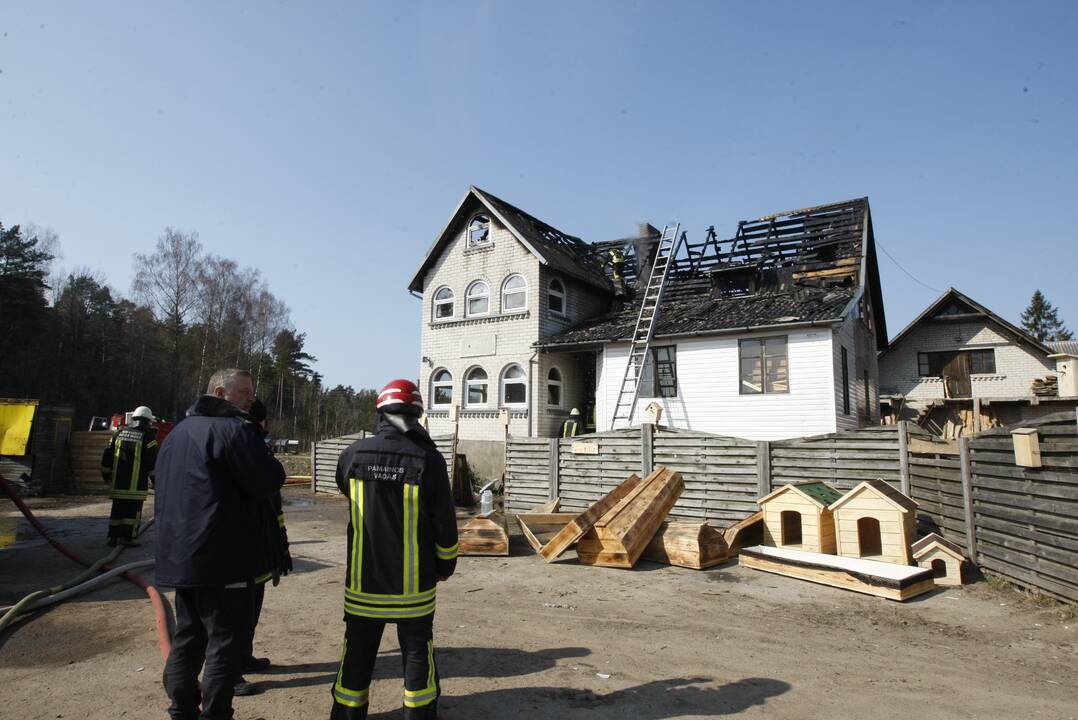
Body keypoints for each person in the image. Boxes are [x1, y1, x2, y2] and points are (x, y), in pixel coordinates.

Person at [155, 368, 285, 720]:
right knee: (224, 644)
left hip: (182, 559)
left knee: (188, 637)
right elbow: (268, 480)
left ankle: (181, 711)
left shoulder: (178, 434)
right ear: (220, 392)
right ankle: (215, 714)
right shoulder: (234, 431)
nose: (251, 399)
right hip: (224, 558)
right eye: (244, 392)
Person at [330, 379, 458, 720]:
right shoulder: (428, 459)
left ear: (380, 413)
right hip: (413, 587)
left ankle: (346, 713)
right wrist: (445, 566)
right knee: (417, 653)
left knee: (357, 651)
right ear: (416, 414)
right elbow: (444, 523)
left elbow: (345, 488)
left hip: (362, 582)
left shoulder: (352, 455)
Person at [234, 397, 292, 697]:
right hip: (242, 547)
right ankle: (230, 672)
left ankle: (243, 656)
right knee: (236, 612)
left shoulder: (255, 444)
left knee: (251, 606)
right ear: (262, 422)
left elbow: (272, 501)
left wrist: (280, 542)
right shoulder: (245, 444)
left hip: (259, 544)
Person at [100, 405, 158, 547]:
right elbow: (152, 462)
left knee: (117, 510)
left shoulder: (119, 433)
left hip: (118, 483)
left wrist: (106, 474)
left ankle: (113, 537)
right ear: (148, 421)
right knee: (132, 513)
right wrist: (156, 481)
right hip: (136, 486)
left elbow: (107, 454)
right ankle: (128, 538)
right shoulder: (149, 437)